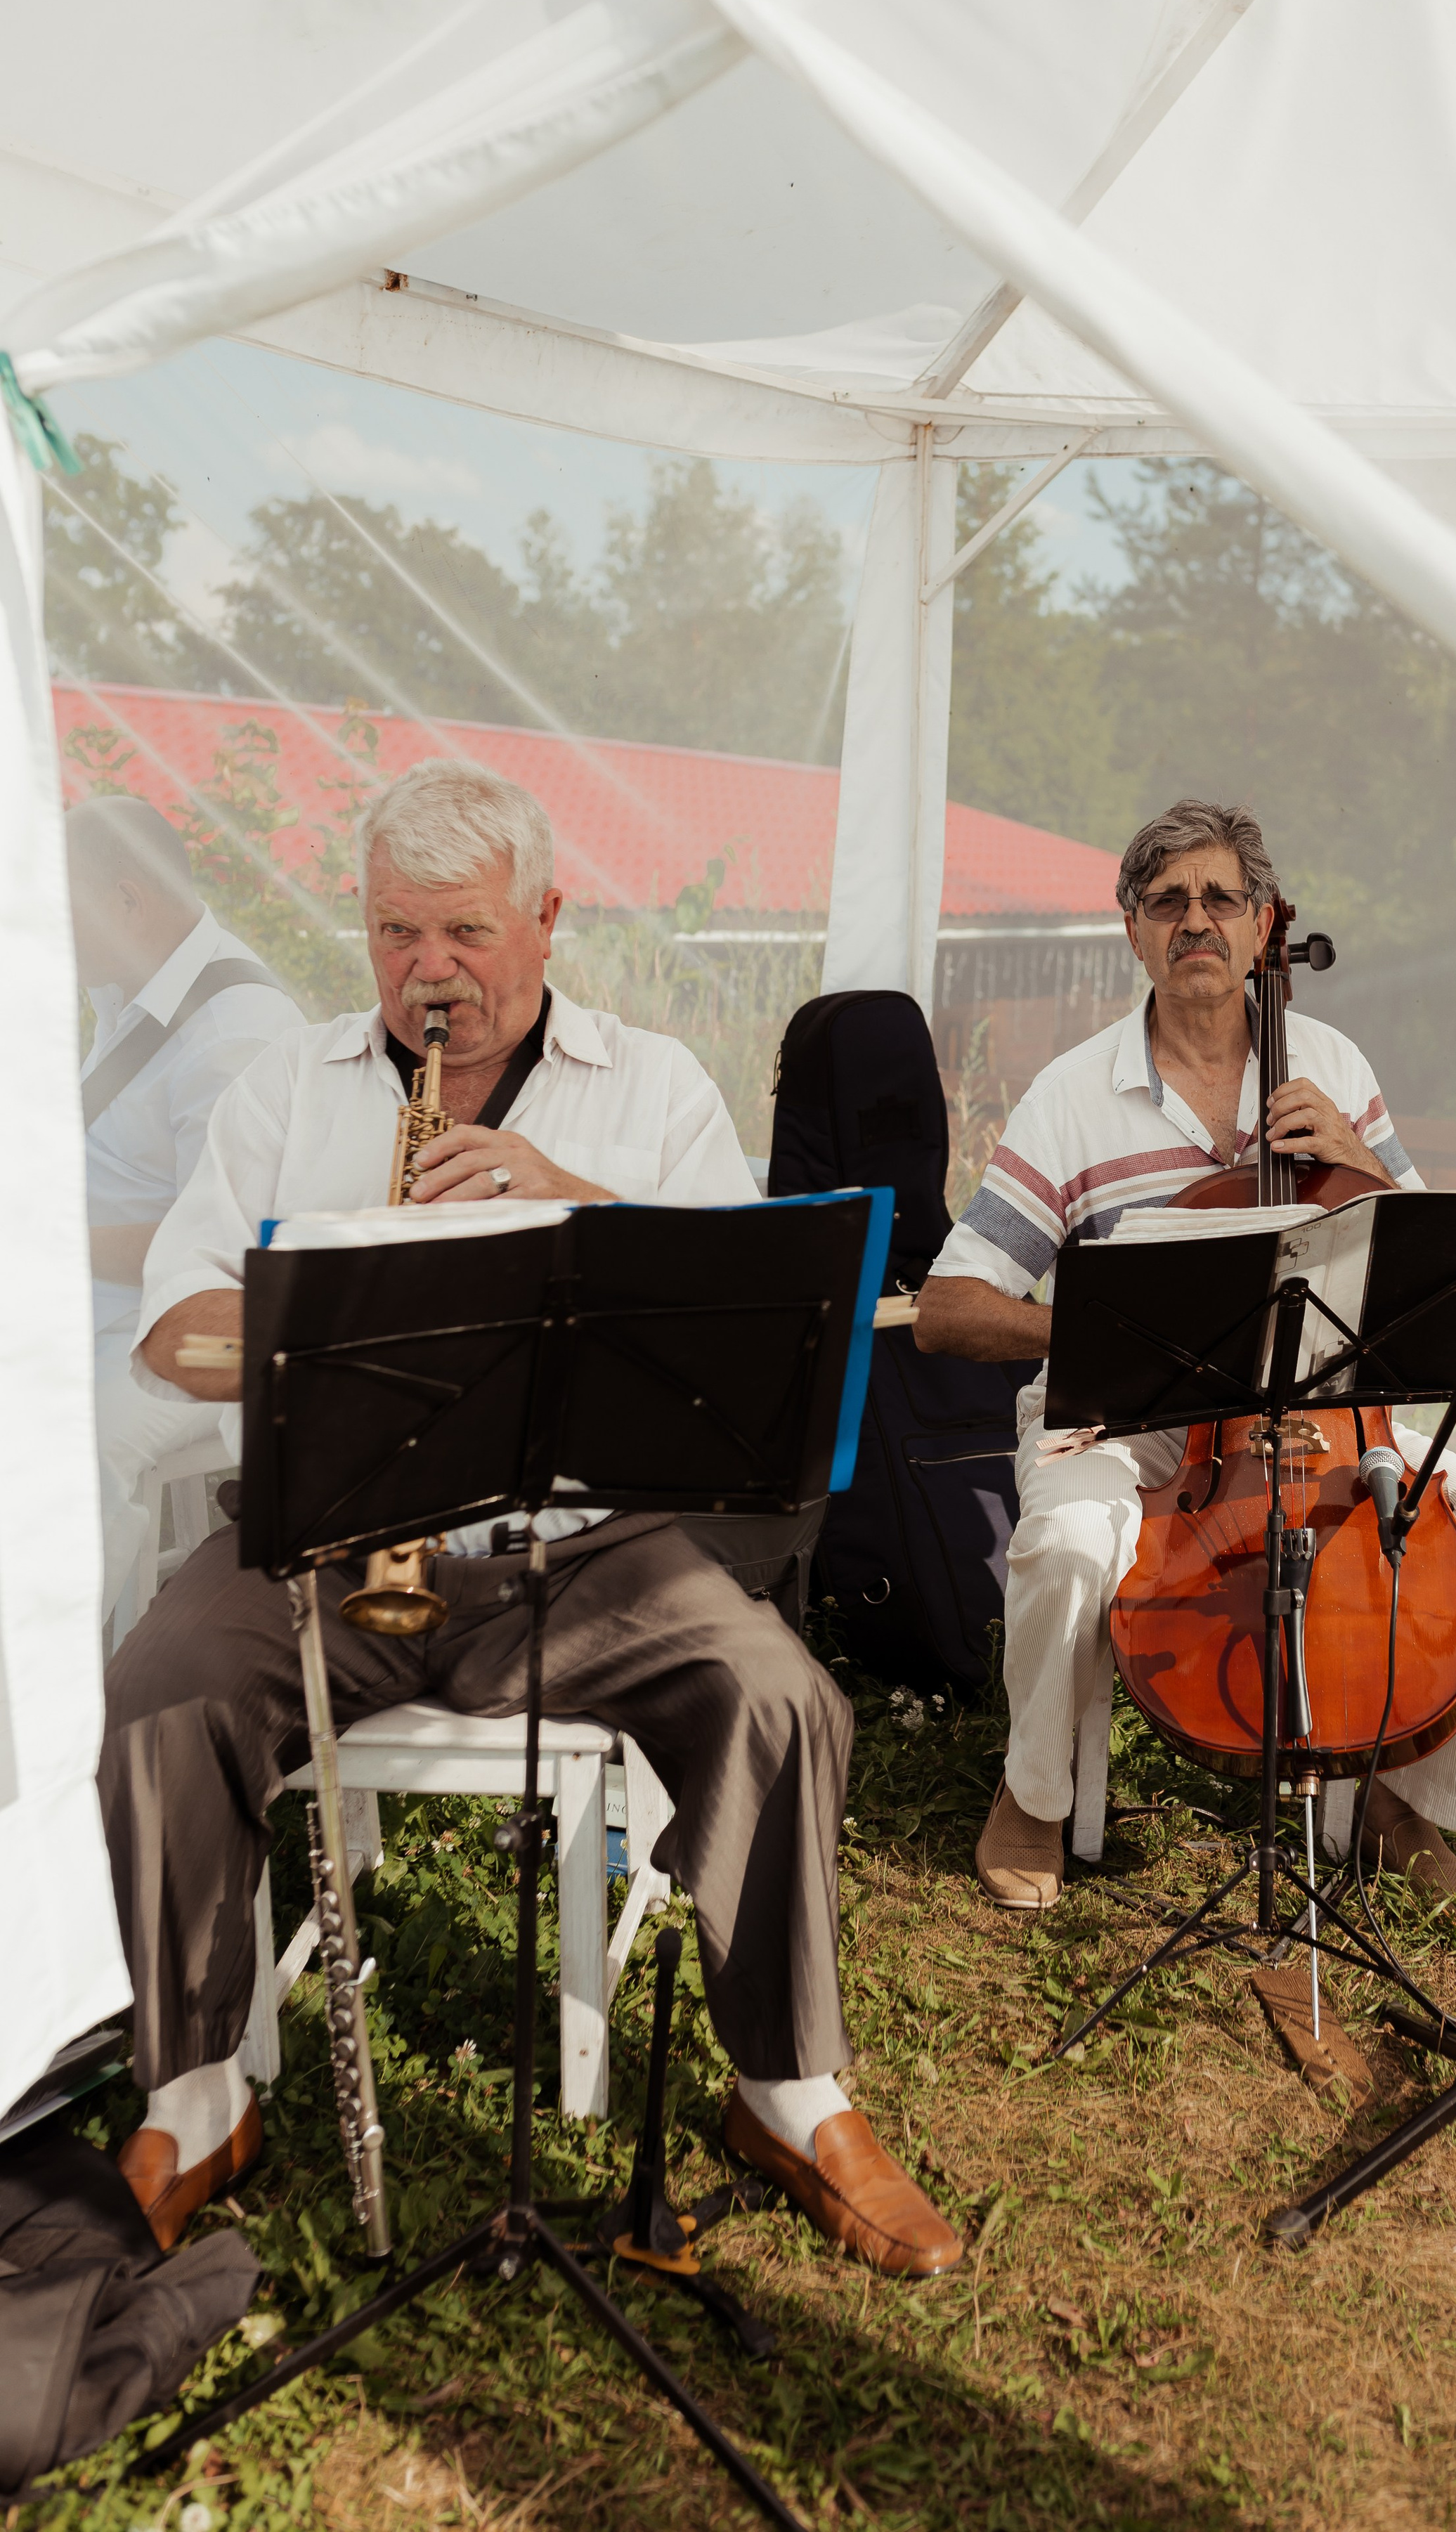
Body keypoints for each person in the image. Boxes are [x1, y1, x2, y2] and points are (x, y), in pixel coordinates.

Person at [101, 759, 958, 2278]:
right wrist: (339, 1305)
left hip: (581, 1548)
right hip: (337, 1537)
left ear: (547, 919)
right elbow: (172, 1325)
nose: (427, 975)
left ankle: (789, 2090)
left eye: (463, 936)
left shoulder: (652, 1087)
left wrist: (570, 1201)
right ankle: (195, 2085)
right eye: (391, 936)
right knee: (164, 1683)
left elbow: (743, 1328)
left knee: (775, 1693)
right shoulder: (282, 1087)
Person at [914, 797, 1456, 1914]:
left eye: (1221, 898)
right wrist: (1100, 1329)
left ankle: (1404, 1806)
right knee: (1067, 1542)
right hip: (1137, 1419)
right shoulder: (1073, 1096)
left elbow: (1427, 1269)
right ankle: (1035, 1796)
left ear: (1264, 927)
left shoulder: (1333, 1065)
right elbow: (950, 1308)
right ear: (1134, 933)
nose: (1195, 920)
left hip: (1319, 1406)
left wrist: (1361, 1161)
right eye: (1168, 902)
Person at [68, 796, 301, 1633]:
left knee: (74, 1443)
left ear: (128, 900)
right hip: (89, 1298)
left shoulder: (238, 1033)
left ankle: (59, 1704)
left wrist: (42, 1247)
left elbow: (210, 1248)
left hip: (193, 1328)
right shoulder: (130, 986)